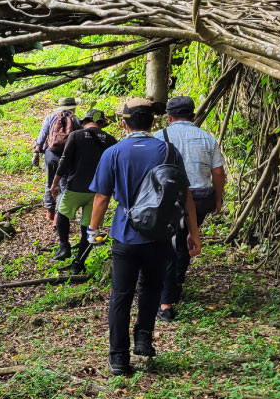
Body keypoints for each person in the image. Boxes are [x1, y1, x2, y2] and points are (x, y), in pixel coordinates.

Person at [87, 98, 202, 376]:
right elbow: (184, 194)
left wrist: (93, 230)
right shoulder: (168, 151)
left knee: (121, 295)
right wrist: (193, 232)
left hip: (125, 234)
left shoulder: (113, 153)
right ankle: (144, 338)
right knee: (151, 287)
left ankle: (118, 359)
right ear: (153, 123)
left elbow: (102, 197)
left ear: (124, 124)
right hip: (159, 235)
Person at [155, 96, 226, 322]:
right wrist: (218, 199)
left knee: (169, 242)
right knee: (186, 238)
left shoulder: (159, 137)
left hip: (170, 197)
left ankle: (166, 301)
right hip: (201, 196)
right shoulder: (207, 137)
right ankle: (176, 280)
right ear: (193, 116)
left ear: (168, 117)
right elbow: (218, 173)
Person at [50, 109, 117, 273]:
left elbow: (64, 162)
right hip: (98, 192)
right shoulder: (111, 140)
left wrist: (54, 183)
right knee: (89, 227)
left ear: (85, 121)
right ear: (101, 123)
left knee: (63, 214)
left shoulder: (76, 136)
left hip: (75, 187)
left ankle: (64, 245)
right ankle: (79, 263)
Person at [33, 97, 81, 220]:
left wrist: (36, 152)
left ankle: (50, 211)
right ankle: (59, 216)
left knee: (50, 182)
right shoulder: (76, 120)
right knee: (64, 185)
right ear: (73, 108)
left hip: (50, 155)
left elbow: (42, 137)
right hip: (68, 157)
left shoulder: (50, 118)